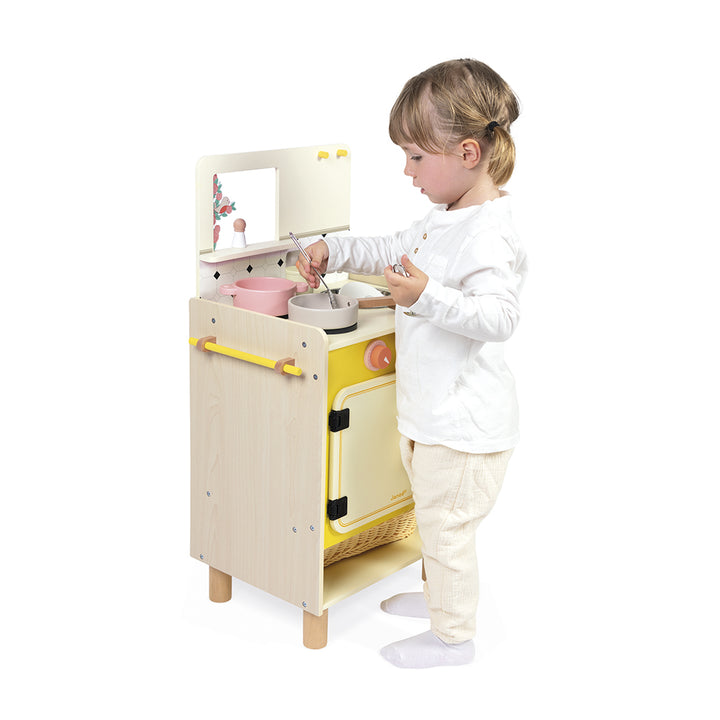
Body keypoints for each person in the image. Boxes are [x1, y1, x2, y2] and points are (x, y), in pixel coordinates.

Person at [296, 59, 527, 668]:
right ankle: (439, 601)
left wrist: (424, 295)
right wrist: (332, 249)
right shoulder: (443, 219)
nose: (407, 170)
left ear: (469, 153)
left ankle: (453, 639)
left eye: (416, 156)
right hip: (433, 419)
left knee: (446, 531)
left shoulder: (487, 232)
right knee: (433, 519)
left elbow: (500, 317)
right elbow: (389, 251)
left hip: (465, 428)